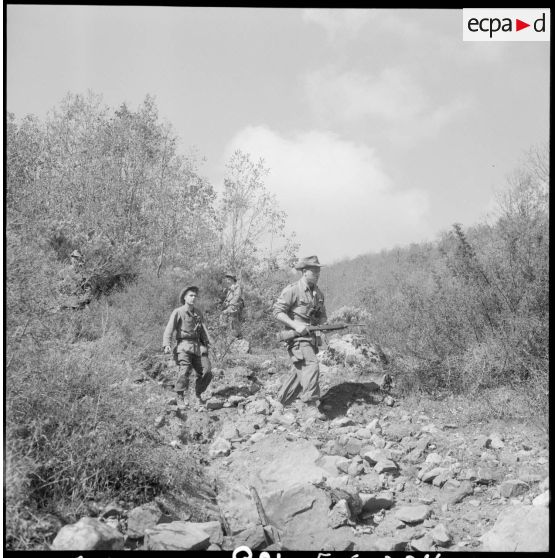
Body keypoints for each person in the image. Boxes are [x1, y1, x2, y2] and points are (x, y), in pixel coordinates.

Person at [273, 255, 328, 420]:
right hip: (296, 338)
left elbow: (322, 318)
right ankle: (310, 406)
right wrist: (296, 325)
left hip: (310, 339)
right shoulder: (293, 290)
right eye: (314, 270)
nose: (317, 273)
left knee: (301, 372)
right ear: (304, 272)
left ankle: (280, 404)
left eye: (318, 270)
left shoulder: (318, 294)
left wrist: (321, 330)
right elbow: (277, 311)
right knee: (311, 365)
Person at [163, 286, 212, 410]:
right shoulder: (178, 311)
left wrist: (208, 342)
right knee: (184, 370)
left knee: (207, 371)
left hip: (198, 347)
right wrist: (167, 344)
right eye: (191, 295)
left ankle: (197, 394)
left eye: (195, 296)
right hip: (183, 346)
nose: (193, 298)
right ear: (185, 297)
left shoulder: (198, 312)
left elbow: (203, 330)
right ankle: (180, 396)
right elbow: (169, 328)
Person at [220, 272, 244, 338]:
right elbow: (229, 298)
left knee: (231, 318)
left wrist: (230, 304)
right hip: (231, 305)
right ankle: (227, 334)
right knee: (225, 317)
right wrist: (226, 303)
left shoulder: (237, 286)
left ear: (233, 279)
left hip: (236, 305)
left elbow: (237, 297)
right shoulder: (230, 288)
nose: (227, 280)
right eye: (227, 279)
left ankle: (237, 335)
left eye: (229, 279)